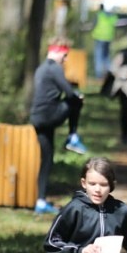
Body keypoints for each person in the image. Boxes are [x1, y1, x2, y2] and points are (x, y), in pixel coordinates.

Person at [30, 37, 88, 214]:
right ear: (56, 52)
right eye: (64, 55)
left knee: (46, 159)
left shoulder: (41, 68)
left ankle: (40, 201)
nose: (66, 59)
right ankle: (73, 137)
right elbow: (69, 93)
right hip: (48, 116)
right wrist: (77, 96)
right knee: (76, 100)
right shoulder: (54, 68)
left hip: (37, 118)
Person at [91, 4, 118, 79]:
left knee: (98, 56)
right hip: (108, 38)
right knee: (106, 56)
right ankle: (108, 74)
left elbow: (93, 25)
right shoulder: (113, 16)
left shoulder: (99, 15)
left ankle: (99, 75)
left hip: (99, 37)